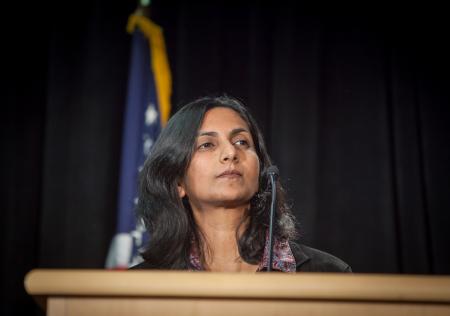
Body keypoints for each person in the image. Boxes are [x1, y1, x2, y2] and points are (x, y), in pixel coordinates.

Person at [131, 95, 351, 272]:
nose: (230, 152)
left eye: (241, 142)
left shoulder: (328, 273)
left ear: (261, 170)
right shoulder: (141, 286)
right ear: (178, 182)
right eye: (207, 145)